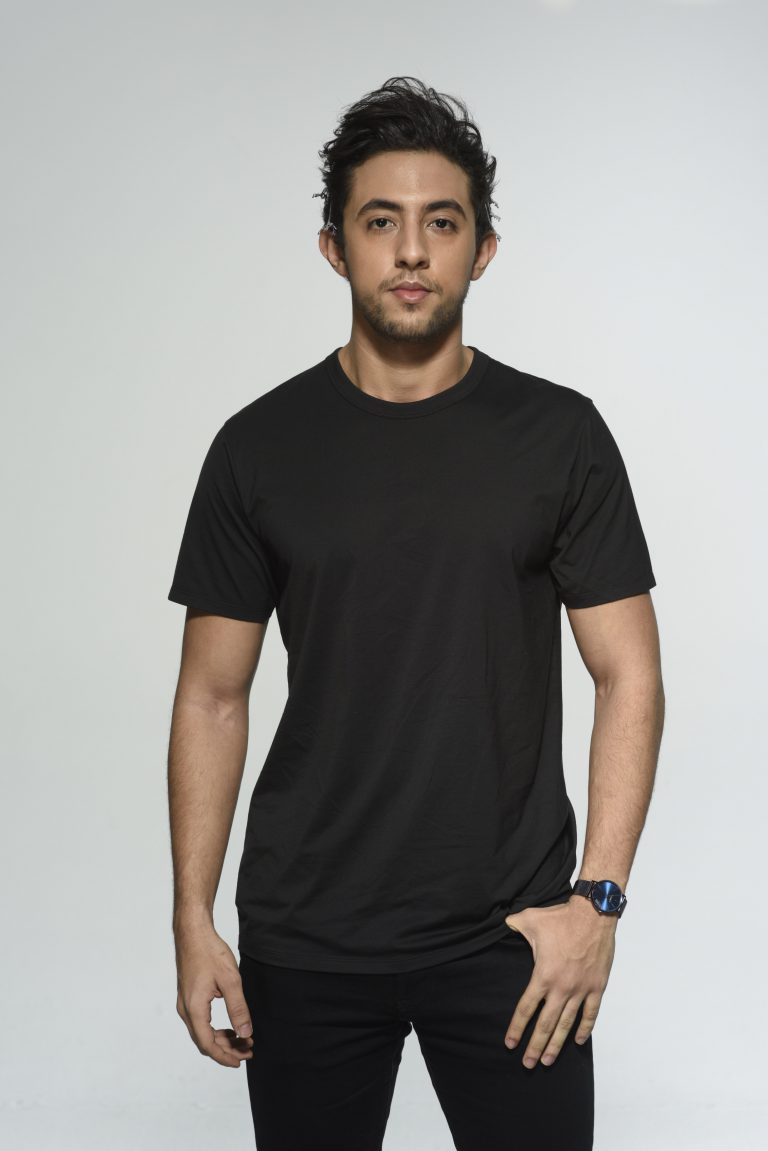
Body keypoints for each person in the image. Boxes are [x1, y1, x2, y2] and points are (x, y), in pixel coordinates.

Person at [166, 76, 665, 1151]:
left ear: (482, 250)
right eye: (379, 221)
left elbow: (629, 674)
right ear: (333, 246)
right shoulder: (257, 448)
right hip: (306, 934)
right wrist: (192, 915)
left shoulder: (560, 437)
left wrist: (599, 903)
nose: (409, 251)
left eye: (441, 223)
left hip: (512, 937)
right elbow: (211, 695)